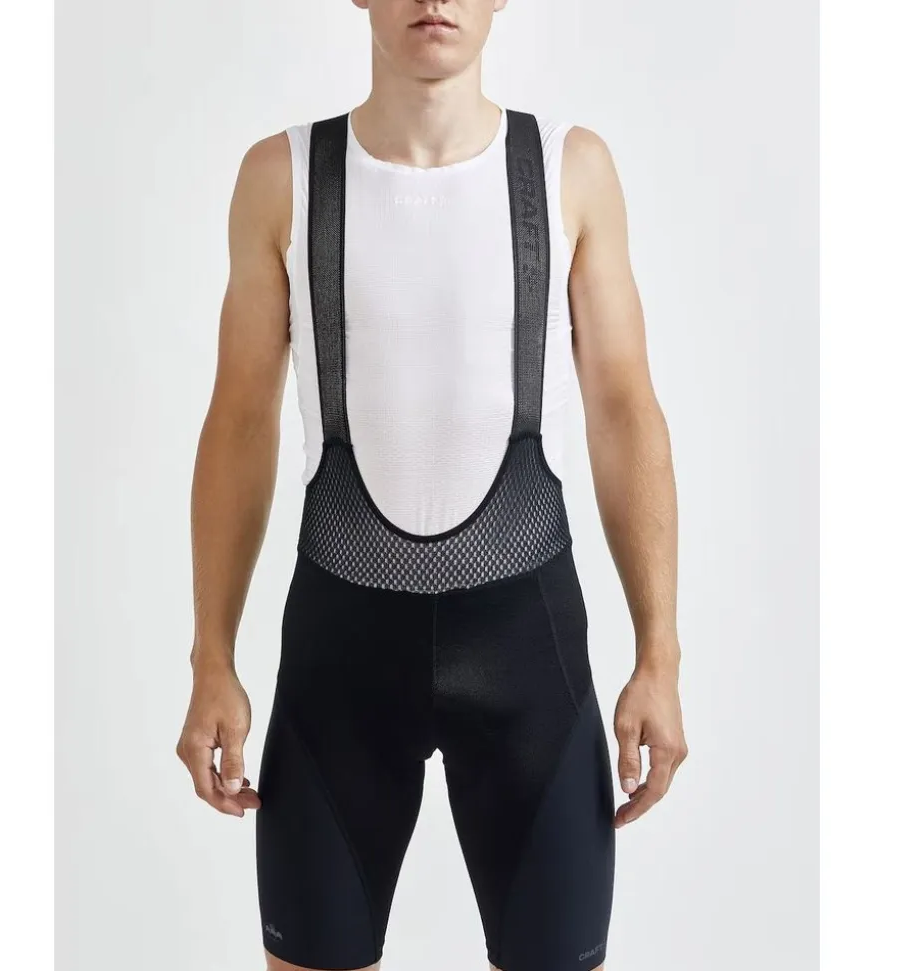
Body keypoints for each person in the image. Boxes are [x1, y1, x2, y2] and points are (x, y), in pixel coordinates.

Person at [176, 2, 688, 970]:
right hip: (338, 663)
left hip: (530, 661)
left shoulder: (568, 169)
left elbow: (625, 412)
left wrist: (658, 656)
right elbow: (238, 422)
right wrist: (212, 658)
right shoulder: (282, 176)